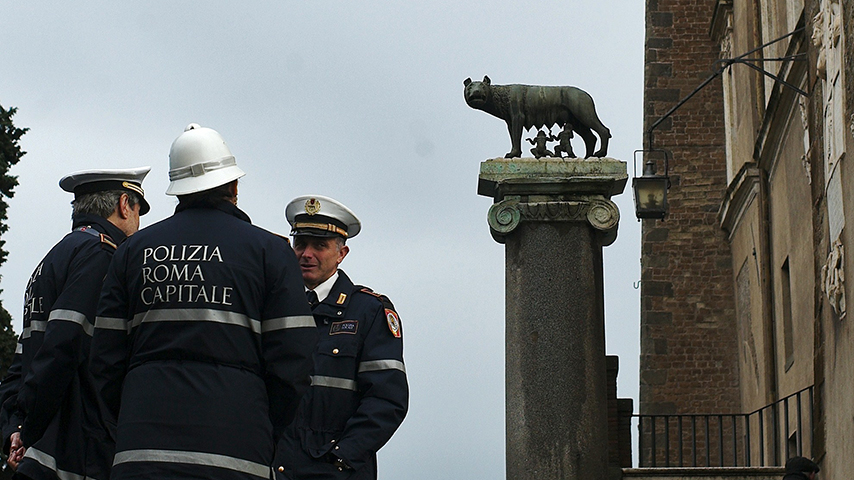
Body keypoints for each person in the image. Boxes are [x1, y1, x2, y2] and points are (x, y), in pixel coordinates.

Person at [89, 124, 316, 480]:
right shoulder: (270, 252)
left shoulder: (131, 252)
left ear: (178, 190)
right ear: (234, 186)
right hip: (237, 451)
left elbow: (104, 361)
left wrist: (131, 421)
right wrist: (260, 425)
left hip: (141, 450)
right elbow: (294, 363)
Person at [0, 167, 151, 480]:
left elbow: (22, 361)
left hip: (39, 455)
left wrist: (13, 429)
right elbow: (63, 346)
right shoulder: (102, 255)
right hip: (74, 454)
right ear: (124, 205)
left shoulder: (51, 259)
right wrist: (29, 430)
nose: (138, 223)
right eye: (138, 210)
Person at [276, 195, 408, 480]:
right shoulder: (273, 305)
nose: (306, 253)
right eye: (300, 244)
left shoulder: (369, 311)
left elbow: (387, 401)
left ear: (342, 253)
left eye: (319, 246)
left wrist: (341, 458)